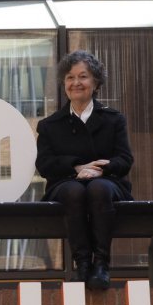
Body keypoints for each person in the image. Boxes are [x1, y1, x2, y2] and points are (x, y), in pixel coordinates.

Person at [35, 50, 134, 290]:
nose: (76, 83)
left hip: (106, 182)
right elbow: (44, 164)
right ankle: (82, 264)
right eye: (70, 77)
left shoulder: (113, 119)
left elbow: (124, 159)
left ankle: (101, 264)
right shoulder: (49, 125)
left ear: (96, 82)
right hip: (66, 183)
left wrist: (100, 169)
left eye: (83, 76)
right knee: (74, 192)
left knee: (98, 189)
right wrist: (77, 167)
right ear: (64, 83)